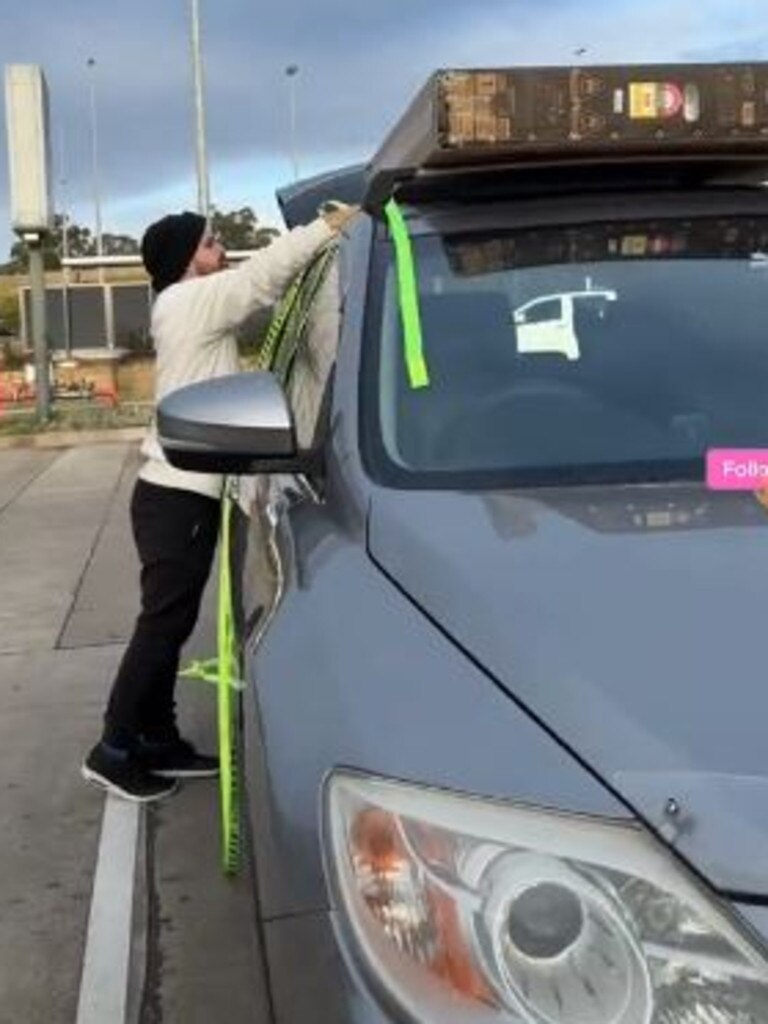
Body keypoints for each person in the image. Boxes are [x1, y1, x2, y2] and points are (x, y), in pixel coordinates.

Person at [82, 203, 358, 802]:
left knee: (172, 620)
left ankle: (159, 740)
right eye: (210, 244)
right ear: (186, 260)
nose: (221, 251)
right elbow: (262, 278)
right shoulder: (186, 301)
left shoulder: (188, 310)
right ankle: (114, 748)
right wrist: (326, 230)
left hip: (179, 495)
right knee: (163, 622)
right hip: (175, 497)